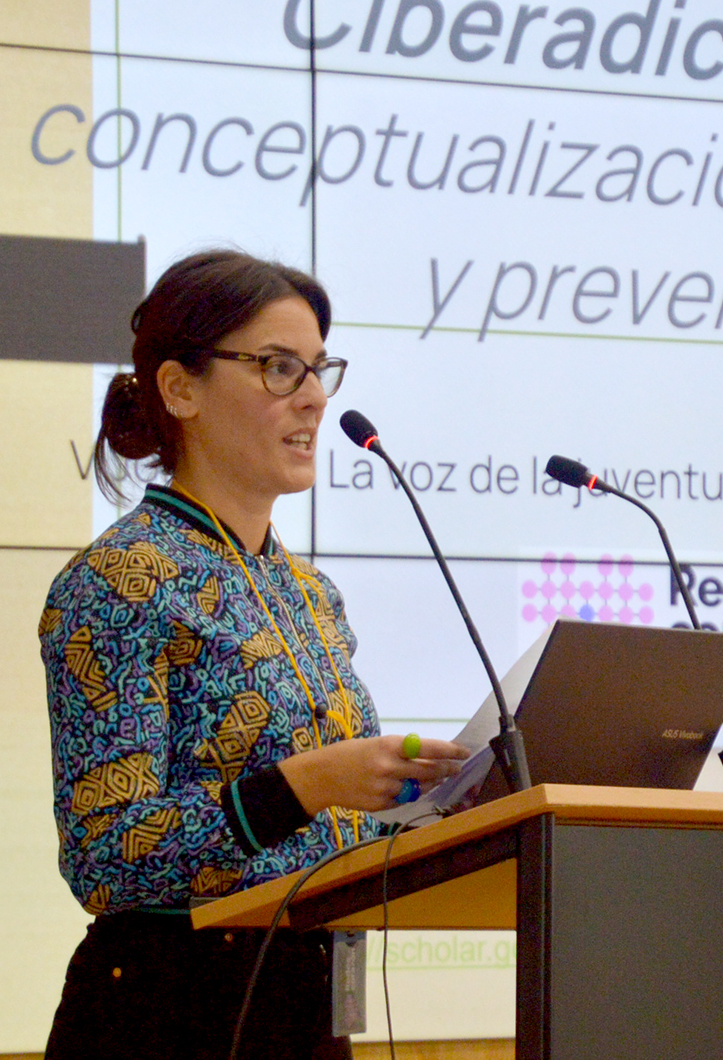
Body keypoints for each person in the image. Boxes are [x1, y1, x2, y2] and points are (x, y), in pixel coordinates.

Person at [38, 250, 469, 1060]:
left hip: (307, 1002)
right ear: (180, 389)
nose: (314, 396)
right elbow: (105, 856)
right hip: (169, 1016)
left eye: (318, 369)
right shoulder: (121, 579)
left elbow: (330, 831)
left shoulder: (310, 593)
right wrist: (305, 785)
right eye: (278, 367)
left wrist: (445, 803)